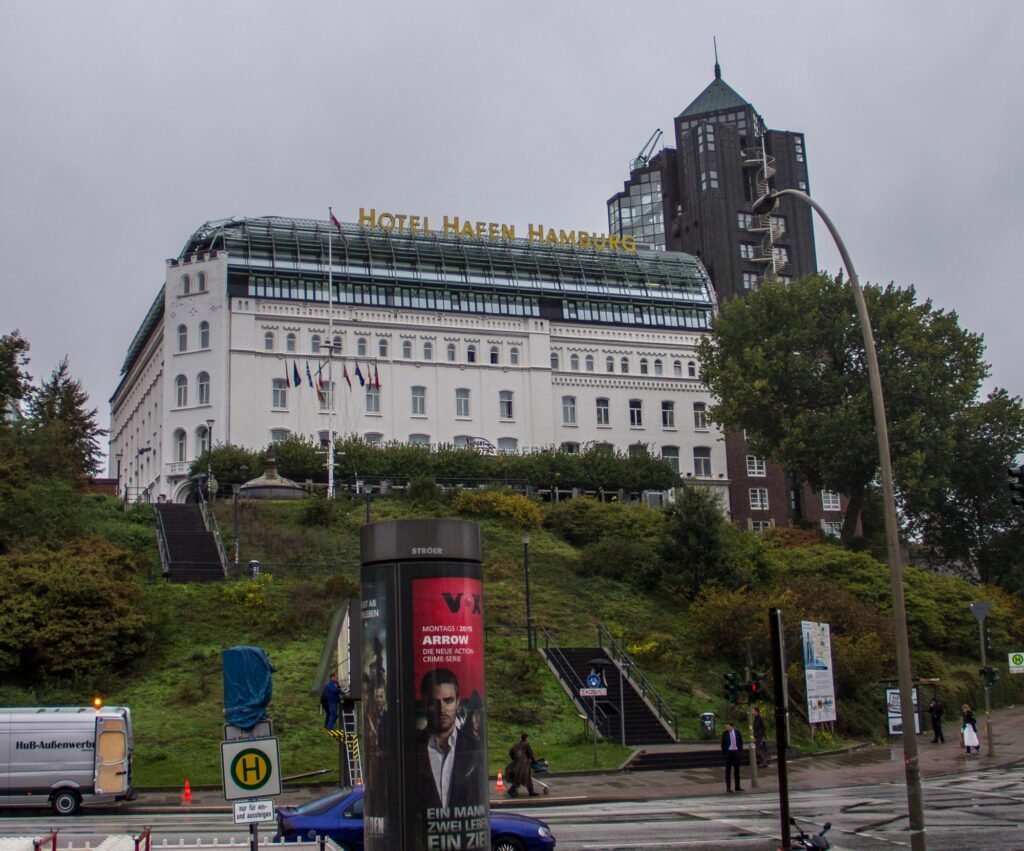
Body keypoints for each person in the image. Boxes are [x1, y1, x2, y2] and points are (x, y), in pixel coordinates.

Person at [416, 668, 482, 813]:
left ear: (458, 703)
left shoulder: (475, 748)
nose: (442, 709)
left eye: (448, 701)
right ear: (424, 704)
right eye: (434, 702)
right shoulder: (410, 749)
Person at [506, 732, 538, 798]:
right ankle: (510, 791)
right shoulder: (526, 745)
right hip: (524, 764)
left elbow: (510, 752)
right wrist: (534, 762)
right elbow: (531, 754)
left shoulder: (516, 745)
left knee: (519, 778)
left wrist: (514, 758)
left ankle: (530, 792)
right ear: (526, 738)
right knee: (525, 778)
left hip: (516, 764)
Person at [721, 721, 744, 792]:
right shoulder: (724, 734)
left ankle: (737, 786)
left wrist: (739, 753)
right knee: (728, 771)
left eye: (728, 726)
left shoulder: (737, 732)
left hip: (736, 752)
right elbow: (723, 744)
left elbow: (740, 742)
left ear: (732, 726)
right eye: (726, 727)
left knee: (737, 770)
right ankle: (728, 787)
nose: (726, 728)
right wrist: (725, 754)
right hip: (729, 753)